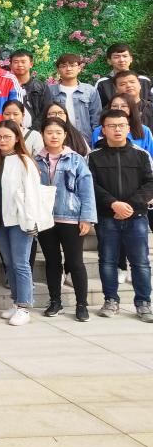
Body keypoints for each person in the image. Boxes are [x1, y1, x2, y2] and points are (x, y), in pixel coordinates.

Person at [88, 109, 153, 322]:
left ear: (128, 128)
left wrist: (130, 206)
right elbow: (91, 185)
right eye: (112, 126)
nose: (117, 129)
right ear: (103, 129)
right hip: (107, 217)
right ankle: (110, 300)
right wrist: (113, 204)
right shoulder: (93, 156)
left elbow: (150, 183)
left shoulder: (141, 154)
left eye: (121, 125)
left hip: (136, 217)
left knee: (140, 262)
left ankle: (143, 303)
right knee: (107, 261)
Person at [0, 120, 51, 326]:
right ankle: (16, 302)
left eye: (7, 136)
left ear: (17, 138)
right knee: (9, 263)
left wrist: (31, 221)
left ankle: (24, 307)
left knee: (21, 263)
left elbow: (32, 194)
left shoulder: (24, 161)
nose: (2, 140)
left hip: (20, 220)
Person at [35, 117, 96, 322]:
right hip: (46, 219)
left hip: (71, 218)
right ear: (42, 134)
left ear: (65, 135)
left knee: (75, 262)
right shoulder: (35, 160)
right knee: (52, 262)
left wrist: (86, 217)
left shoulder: (76, 160)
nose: (54, 136)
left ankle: (81, 305)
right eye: (49, 132)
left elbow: (86, 190)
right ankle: (55, 301)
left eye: (58, 132)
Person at [49, 53, 102, 141]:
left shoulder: (90, 90)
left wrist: (95, 139)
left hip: (84, 139)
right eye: (64, 66)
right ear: (58, 70)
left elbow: (96, 117)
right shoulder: (50, 91)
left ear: (79, 68)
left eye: (72, 65)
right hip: (58, 138)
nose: (68, 69)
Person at [8, 49, 50, 129]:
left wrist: (33, 130)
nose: (20, 65)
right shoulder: (5, 86)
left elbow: (46, 110)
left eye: (23, 62)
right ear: (10, 65)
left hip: (35, 132)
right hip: (9, 131)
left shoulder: (41, 87)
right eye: (16, 62)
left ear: (31, 64)